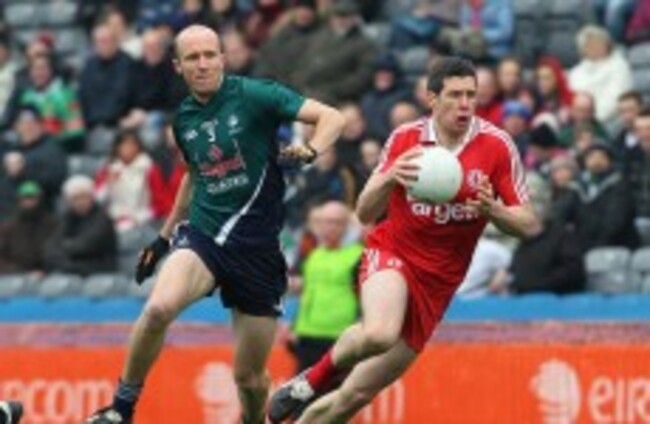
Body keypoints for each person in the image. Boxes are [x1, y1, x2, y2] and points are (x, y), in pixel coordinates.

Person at [86, 24, 344, 424]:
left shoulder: (256, 95)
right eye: (193, 57)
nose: (203, 64)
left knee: (249, 379)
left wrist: (311, 149)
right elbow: (194, 176)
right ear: (178, 66)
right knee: (158, 309)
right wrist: (163, 239)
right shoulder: (184, 119)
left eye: (210, 55)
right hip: (204, 236)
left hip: (257, 251)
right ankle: (120, 409)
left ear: (223, 58)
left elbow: (332, 117)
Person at [268, 56, 539, 423]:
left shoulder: (496, 145)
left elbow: (528, 225)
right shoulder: (406, 138)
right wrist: (390, 176)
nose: (465, 104)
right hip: (393, 253)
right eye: (455, 95)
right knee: (379, 333)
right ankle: (309, 381)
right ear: (432, 99)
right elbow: (365, 212)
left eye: (471, 95)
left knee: (353, 397)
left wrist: (494, 211)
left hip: (438, 283)